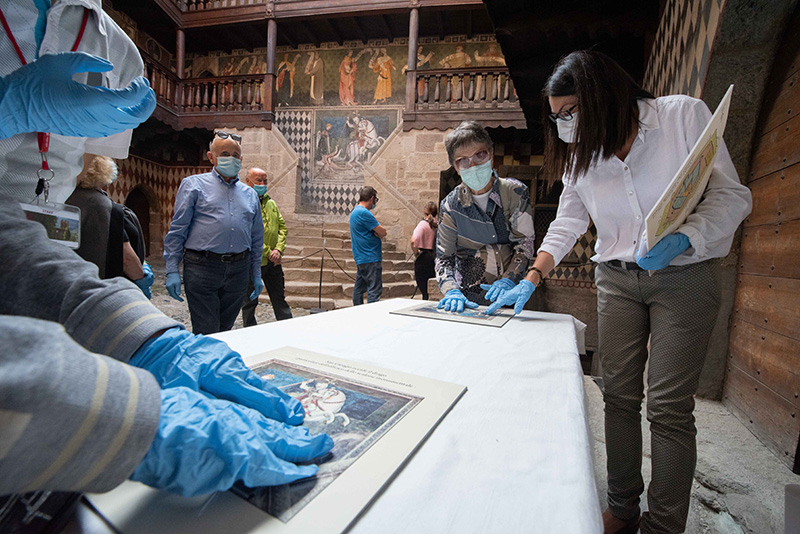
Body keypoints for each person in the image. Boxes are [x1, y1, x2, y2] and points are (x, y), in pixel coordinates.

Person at [0, 1, 331, 533]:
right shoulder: (194, 186)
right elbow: (175, 230)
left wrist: (143, 338)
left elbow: (11, 247)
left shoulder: (110, 42)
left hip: (230, 270)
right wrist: (120, 416)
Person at [490, 51, 752, 534]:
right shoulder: (582, 155)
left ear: (604, 97)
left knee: (668, 406)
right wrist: (531, 277)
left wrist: (687, 237)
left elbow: (730, 195)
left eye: (571, 112)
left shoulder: (682, 117)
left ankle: (664, 525)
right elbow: (568, 221)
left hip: (684, 275)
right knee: (617, 395)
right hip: (615, 279)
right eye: (557, 116)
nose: (564, 125)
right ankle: (623, 507)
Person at [163, 131, 265, 335]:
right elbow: (178, 230)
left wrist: (256, 274)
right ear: (211, 157)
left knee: (226, 330)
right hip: (202, 267)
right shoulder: (193, 185)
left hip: (239, 269)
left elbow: (256, 237)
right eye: (225, 154)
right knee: (207, 330)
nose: (231, 159)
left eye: (235, 155)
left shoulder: (250, 195)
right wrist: (172, 269)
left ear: (241, 160)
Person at [435, 120, 535, 313]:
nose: (472, 165)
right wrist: (451, 290)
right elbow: (444, 258)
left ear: (491, 154)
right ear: (456, 167)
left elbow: (525, 244)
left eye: (479, 155)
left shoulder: (515, 192)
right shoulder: (450, 206)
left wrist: (509, 280)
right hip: (465, 298)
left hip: (508, 294)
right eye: (463, 160)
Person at [65, 154, 154, 298]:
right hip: (99, 286)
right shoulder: (100, 205)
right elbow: (125, 256)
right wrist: (141, 278)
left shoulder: (62, 198)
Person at [241, 167, 293, 324]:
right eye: (259, 181)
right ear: (248, 182)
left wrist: (278, 249)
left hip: (273, 262)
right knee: (249, 302)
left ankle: (287, 326)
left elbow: (282, 227)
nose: (263, 184)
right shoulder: (244, 204)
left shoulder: (271, 203)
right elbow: (247, 233)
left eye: (265, 181)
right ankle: (250, 330)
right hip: (253, 262)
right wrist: (268, 251)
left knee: (279, 298)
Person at [349, 186, 386, 305]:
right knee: (374, 291)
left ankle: (357, 311)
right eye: (375, 200)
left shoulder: (355, 211)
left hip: (361, 257)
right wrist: (378, 233)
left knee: (359, 289)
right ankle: (371, 314)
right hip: (370, 257)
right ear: (371, 198)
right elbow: (383, 232)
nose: (374, 204)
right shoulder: (364, 212)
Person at [411, 201, 438, 300]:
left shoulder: (422, 224)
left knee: (424, 289)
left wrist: (415, 253)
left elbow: (413, 241)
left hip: (423, 257)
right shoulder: (437, 225)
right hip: (434, 257)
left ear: (424, 212)